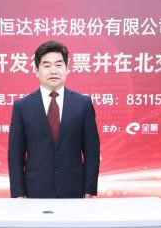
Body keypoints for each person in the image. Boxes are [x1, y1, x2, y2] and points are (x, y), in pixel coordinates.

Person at [8, 40, 100, 198]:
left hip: (74, 189)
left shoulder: (83, 104)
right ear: (36, 70)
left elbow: (92, 150)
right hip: (34, 190)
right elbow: (15, 154)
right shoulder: (22, 106)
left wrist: (89, 189)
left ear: (67, 69)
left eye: (58, 65)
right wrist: (18, 192)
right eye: (47, 65)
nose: (53, 71)